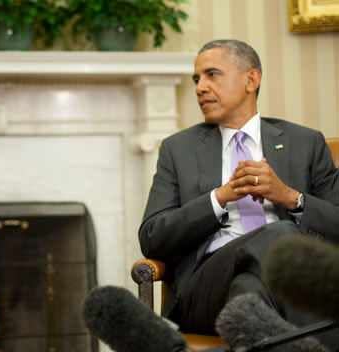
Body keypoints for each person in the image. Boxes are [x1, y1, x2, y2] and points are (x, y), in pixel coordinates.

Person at [139, 39, 339, 343]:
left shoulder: (305, 142)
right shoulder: (178, 149)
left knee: (248, 295)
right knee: (280, 234)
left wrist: (289, 197)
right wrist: (220, 197)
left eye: (212, 74)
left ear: (251, 79)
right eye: (197, 79)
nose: (200, 88)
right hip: (205, 287)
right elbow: (152, 237)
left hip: (280, 290)